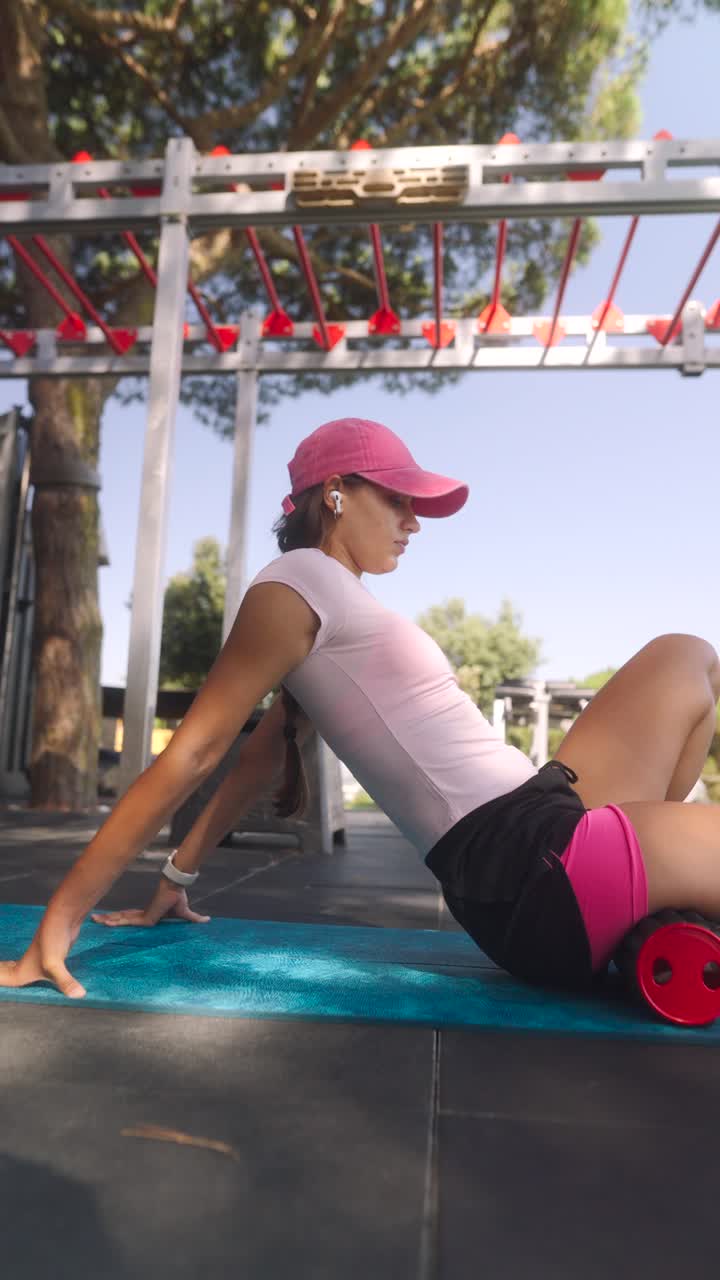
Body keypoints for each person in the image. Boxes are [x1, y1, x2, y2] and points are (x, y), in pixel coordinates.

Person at [1, 416, 718, 999]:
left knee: (686, 658)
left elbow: (260, 755)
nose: (414, 522)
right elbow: (195, 753)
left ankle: (646, 908)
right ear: (337, 491)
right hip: (531, 868)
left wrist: (176, 880)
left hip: (549, 825)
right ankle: (635, 898)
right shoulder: (296, 582)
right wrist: (56, 926)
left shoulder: (332, 603)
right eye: (398, 500)